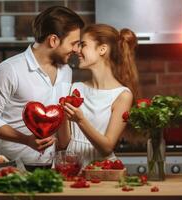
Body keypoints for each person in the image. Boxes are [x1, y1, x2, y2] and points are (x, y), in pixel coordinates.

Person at [0, 6, 84, 163]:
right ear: (53, 40)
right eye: (73, 43)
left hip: (47, 169)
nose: (76, 49)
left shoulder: (66, 70)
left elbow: (59, 118)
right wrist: (26, 139)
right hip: (6, 168)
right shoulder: (9, 69)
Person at [57, 24, 139, 166]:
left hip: (101, 169)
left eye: (83, 45)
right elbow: (65, 143)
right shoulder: (75, 87)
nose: (77, 50)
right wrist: (62, 115)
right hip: (72, 166)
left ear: (102, 49)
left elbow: (107, 147)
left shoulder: (122, 95)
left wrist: (80, 120)